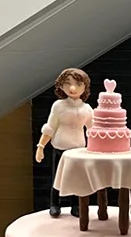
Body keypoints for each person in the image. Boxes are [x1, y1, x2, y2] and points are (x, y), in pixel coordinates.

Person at [36, 68, 94, 218]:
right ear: (61, 86)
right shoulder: (59, 106)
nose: (72, 88)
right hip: (61, 146)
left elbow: (93, 129)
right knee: (58, 177)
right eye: (67, 83)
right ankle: (55, 204)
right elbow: (50, 127)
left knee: (77, 177)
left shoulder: (87, 108)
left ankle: (76, 204)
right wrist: (41, 146)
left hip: (80, 149)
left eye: (77, 84)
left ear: (85, 86)